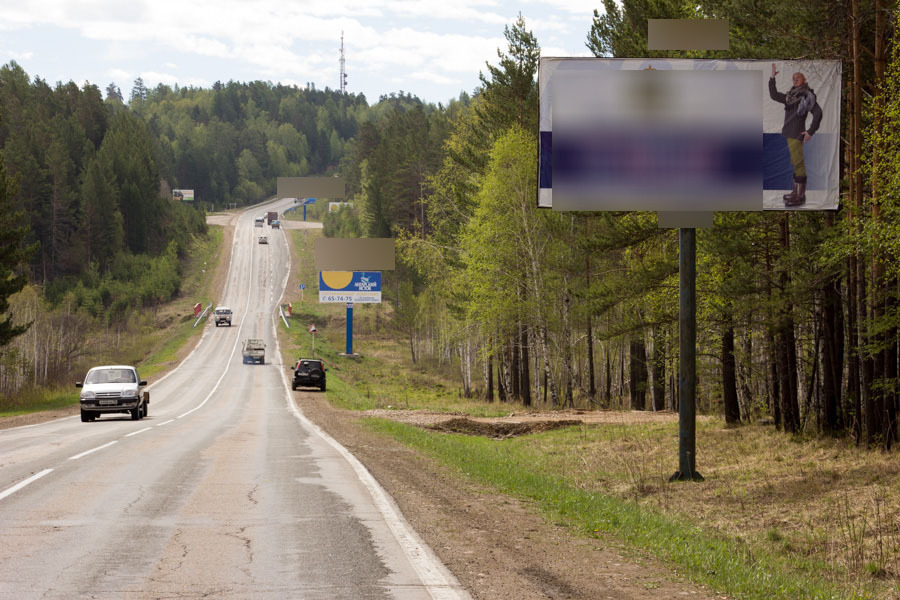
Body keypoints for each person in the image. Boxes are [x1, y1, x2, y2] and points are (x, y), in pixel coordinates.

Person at [769, 63, 823, 207]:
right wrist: (772, 78)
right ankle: (795, 192)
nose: (795, 80)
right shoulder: (790, 96)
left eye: (798, 78)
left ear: (804, 80)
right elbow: (774, 95)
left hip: (796, 133)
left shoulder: (807, 95)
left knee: (798, 163)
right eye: (794, 78)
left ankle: (800, 195)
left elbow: (818, 113)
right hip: (789, 132)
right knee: (795, 162)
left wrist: (810, 131)